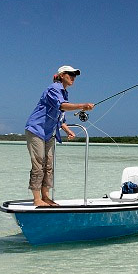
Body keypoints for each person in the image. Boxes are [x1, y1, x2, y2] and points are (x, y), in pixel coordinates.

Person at [25, 65, 94, 207]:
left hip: (49, 133)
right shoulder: (53, 89)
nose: (73, 77)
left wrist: (67, 130)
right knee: (38, 164)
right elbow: (62, 106)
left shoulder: (64, 93)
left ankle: (46, 197)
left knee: (49, 165)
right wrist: (83, 106)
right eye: (70, 74)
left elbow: (60, 117)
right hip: (36, 130)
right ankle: (37, 199)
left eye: (74, 75)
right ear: (62, 75)